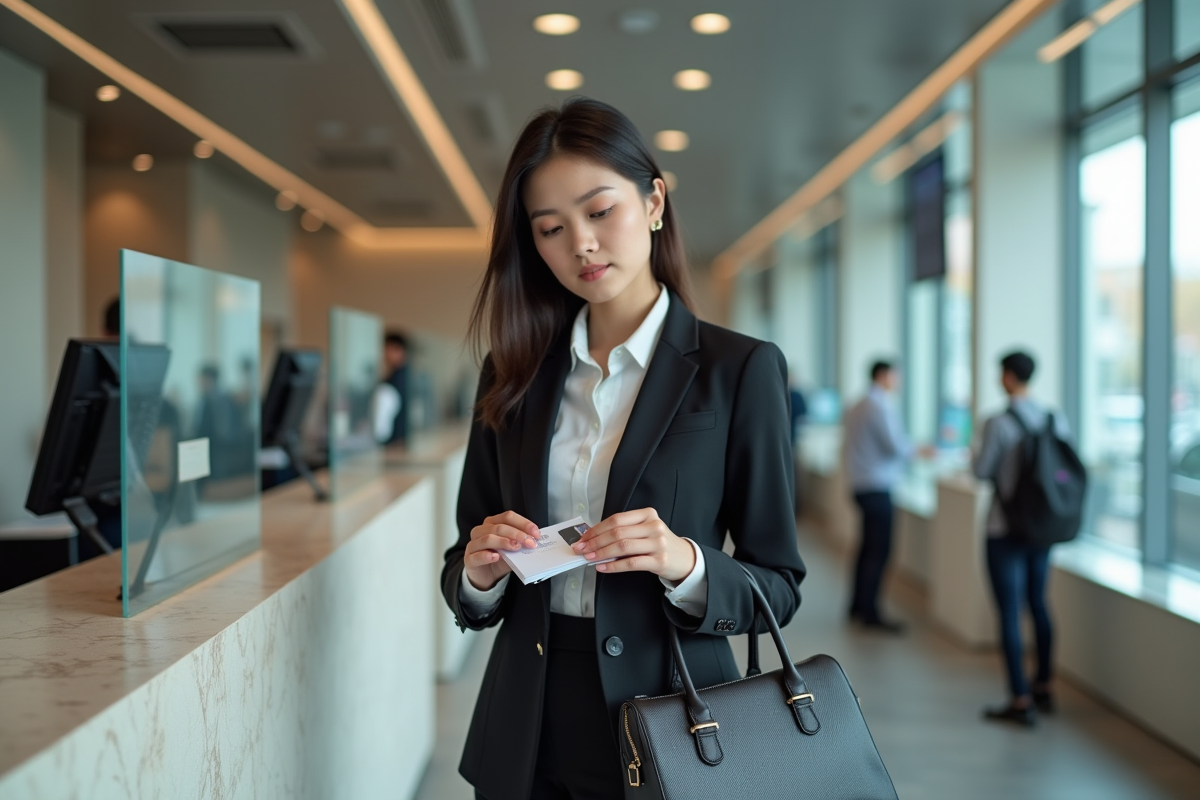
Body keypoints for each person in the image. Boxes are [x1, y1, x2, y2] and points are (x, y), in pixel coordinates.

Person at [441, 98, 806, 800]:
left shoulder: (739, 370)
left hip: (675, 713)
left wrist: (685, 563)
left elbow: (778, 586)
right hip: (525, 727)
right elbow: (466, 560)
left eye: (599, 211)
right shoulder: (512, 375)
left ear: (654, 202)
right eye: (551, 228)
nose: (579, 243)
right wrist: (480, 573)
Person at [973, 350, 1069, 727]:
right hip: (1042, 527)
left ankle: (1020, 698)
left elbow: (982, 471)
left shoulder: (997, 422)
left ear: (1009, 377)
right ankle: (1043, 684)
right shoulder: (1053, 417)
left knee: (1009, 612)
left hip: (1004, 528)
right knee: (1039, 603)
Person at [842, 360, 928, 633]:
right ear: (883, 375)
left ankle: (857, 606)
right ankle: (870, 613)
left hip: (861, 483)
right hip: (877, 485)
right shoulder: (878, 407)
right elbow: (895, 447)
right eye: (896, 375)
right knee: (879, 551)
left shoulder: (858, 404)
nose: (898, 381)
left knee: (867, 548)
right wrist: (923, 451)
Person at [373, 331, 409, 444]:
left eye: (386, 348)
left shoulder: (399, 379)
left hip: (396, 441)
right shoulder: (401, 375)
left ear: (397, 349)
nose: (383, 353)